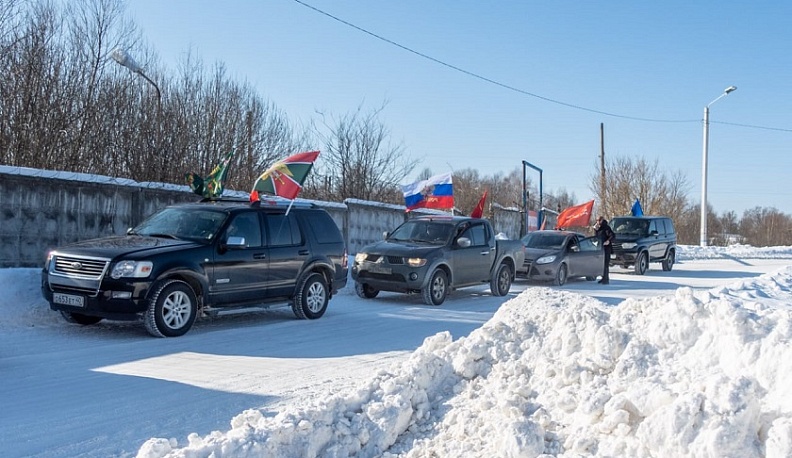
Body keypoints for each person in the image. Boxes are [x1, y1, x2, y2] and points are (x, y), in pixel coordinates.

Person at [594, 216, 615, 284]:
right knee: (601, 264)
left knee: (605, 264)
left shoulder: (606, 227)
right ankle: (603, 278)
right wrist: (595, 230)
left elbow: (612, 235)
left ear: (602, 220)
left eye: (599, 220)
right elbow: (596, 237)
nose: (598, 222)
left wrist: (608, 241)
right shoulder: (598, 228)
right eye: (597, 220)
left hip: (606, 249)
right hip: (600, 248)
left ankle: (606, 279)